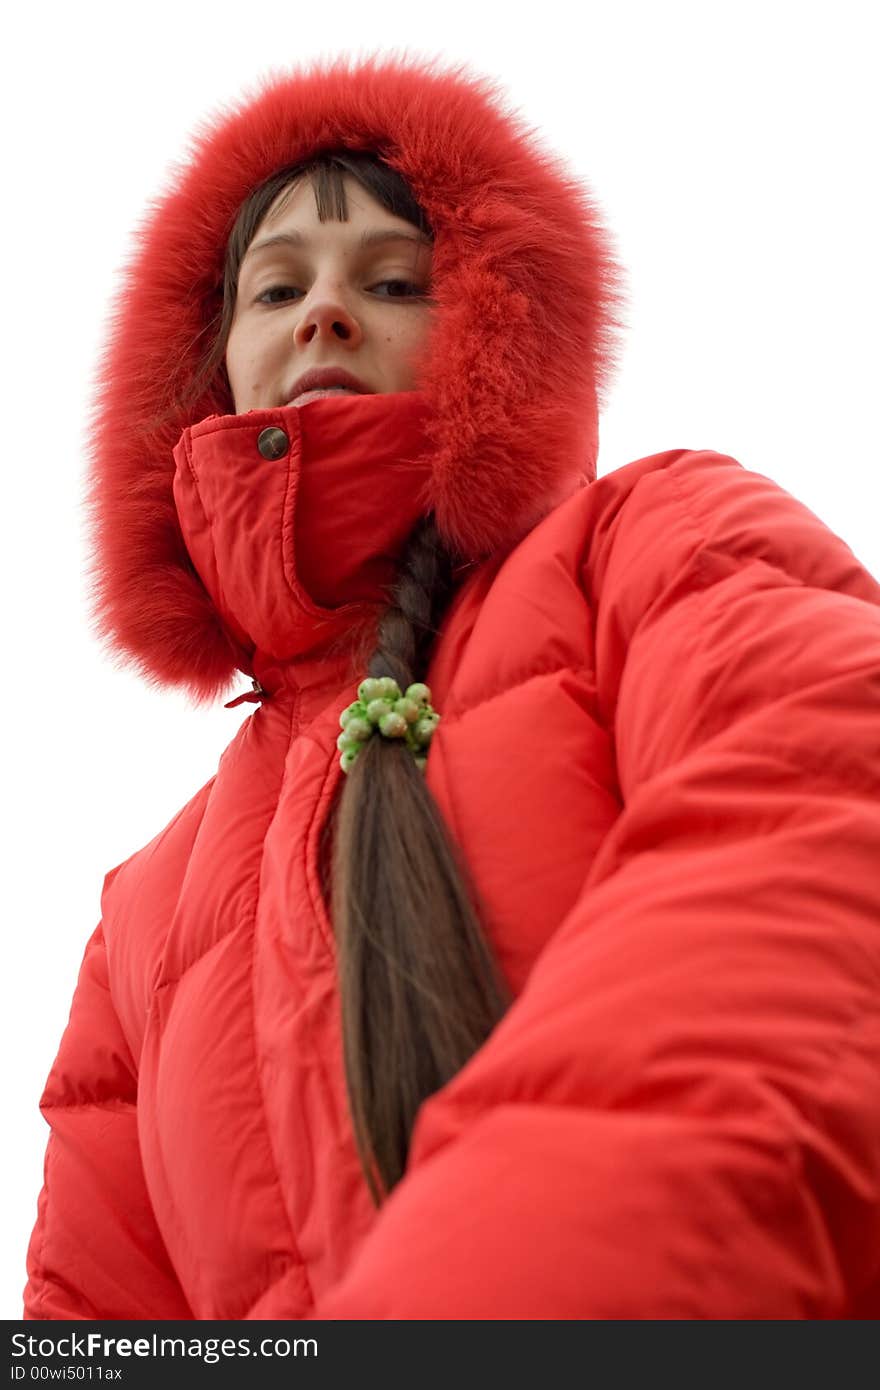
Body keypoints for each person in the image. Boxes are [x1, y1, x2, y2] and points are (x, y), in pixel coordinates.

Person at [23, 52, 880, 1322]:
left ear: (486, 329)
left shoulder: (647, 551)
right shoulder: (145, 915)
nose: (324, 312)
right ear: (214, 368)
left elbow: (818, 818)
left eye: (391, 279)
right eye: (276, 287)